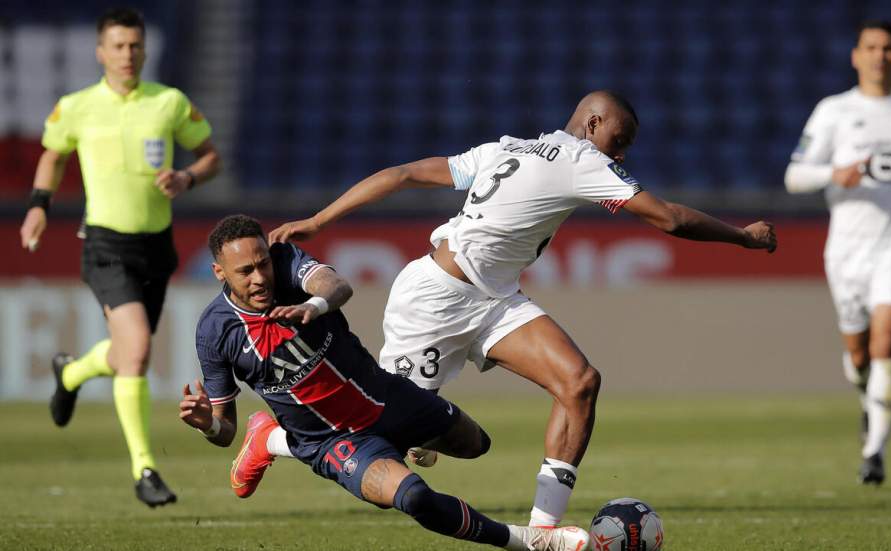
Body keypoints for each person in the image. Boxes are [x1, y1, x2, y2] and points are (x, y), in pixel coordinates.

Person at [268, 90, 778, 527]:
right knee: (376, 442)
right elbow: (668, 218)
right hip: (434, 301)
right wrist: (744, 238)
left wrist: (320, 218)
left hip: (494, 301)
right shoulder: (583, 159)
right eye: (618, 142)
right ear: (593, 124)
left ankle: (542, 531)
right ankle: (272, 440)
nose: (620, 157)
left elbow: (403, 174)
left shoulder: (504, 148)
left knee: (579, 382)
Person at [179, 215, 590, 551]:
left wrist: (313, 305)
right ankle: (527, 541)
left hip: (386, 395)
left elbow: (336, 285)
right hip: (334, 441)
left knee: (475, 445)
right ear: (219, 273)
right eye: (245, 271)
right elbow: (222, 429)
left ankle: (270, 439)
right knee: (414, 497)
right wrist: (209, 425)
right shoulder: (215, 333)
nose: (259, 278)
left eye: (262, 264)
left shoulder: (286, 262)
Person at [18, 7, 221, 506]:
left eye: (134, 45)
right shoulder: (78, 106)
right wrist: (38, 207)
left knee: (125, 352)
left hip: (156, 247)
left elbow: (211, 155)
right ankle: (144, 469)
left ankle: (70, 373)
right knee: (136, 351)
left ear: (144, 50)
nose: (127, 54)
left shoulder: (168, 103)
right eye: (118, 45)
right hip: (106, 245)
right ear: (100, 52)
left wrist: (187, 177)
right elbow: (52, 153)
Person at [784, 21, 891, 485]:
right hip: (847, 248)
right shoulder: (834, 111)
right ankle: (868, 400)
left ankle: (874, 452)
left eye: (889, 48)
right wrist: (835, 174)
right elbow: (794, 176)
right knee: (859, 354)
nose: (880, 55)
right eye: (871, 47)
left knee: (885, 343)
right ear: (856, 56)